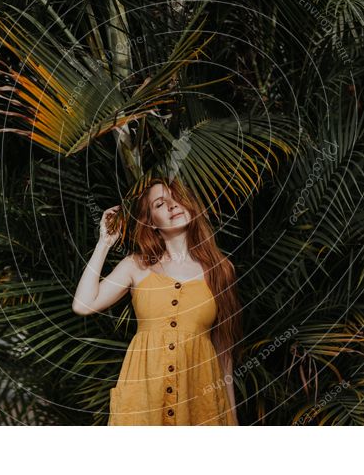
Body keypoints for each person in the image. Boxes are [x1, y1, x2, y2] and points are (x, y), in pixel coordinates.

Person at [72, 177, 243, 425]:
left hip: (200, 398)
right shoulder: (136, 266)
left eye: (178, 199)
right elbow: (83, 304)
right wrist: (104, 243)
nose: (173, 206)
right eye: (161, 203)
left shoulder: (221, 270)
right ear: (151, 222)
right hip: (142, 399)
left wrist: (232, 420)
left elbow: (224, 351)